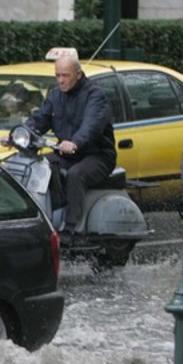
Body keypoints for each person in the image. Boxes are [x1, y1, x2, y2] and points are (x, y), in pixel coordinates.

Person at [24, 53, 116, 242]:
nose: (61, 80)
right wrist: (19, 134)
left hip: (97, 155)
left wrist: (75, 142)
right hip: (66, 154)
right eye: (58, 75)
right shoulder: (55, 95)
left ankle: (71, 228)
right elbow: (40, 120)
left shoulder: (95, 96)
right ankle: (49, 217)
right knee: (38, 166)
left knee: (76, 174)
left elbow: (92, 125)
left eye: (65, 75)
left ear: (79, 75)